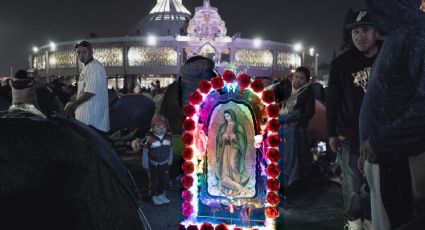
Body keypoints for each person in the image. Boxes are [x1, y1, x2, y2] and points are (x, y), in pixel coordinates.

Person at [359, 0, 425, 229]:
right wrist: (366, 146)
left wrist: (383, 141)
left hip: (402, 160)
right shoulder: (399, 36)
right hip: (384, 157)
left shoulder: (418, 33)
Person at [326, 9, 380, 229]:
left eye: (365, 29)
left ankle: (372, 219)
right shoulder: (341, 64)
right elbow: (333, 100)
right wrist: (331, 132)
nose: (360, 36)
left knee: (378, 184)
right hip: (349, 134)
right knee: (352, 185)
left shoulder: (388, 55)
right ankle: (354, 221)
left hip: (382, 135)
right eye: (355, 31)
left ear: (376, 31)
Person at [274, 66, 315, 190]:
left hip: (296, 129)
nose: (298, 80)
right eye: (296, 77)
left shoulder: (308, 92)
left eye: (302, 78)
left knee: (295, 156)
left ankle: (292, 182)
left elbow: (310, 111)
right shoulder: (285, 86)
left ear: (306, 80)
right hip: (279, 126)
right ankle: (278, 180)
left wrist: (298, 121)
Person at [64, 40, 109, 133]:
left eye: (84, 52)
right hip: (86, 120)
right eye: (78, 52)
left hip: (92, 121)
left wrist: (73, 104)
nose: (81, 55)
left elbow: (90, 92)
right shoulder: (88, 67)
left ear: (91, 52)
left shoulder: (94, 68)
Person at [133, 115, 173, 206]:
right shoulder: (150, 139)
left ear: (167, 127)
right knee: (154, 181)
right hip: (153, 165)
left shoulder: (168, 138)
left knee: (164, 180)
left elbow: (170, 150)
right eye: (158, 127)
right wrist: (145, 165)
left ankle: (162, 194)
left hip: (165, 164)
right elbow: (145, 153)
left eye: (163, 127)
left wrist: (170, 161)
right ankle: (154, 196)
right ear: (152, 127)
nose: (161, 129)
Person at [215, 109, 249, 196]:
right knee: (225, 164)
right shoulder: (223, 126)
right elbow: (219, 138)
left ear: (232, 115)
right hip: (225, 147)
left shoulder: (238, 125)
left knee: (233, 164)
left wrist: (235, 136)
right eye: (225, 116)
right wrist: (223, 136)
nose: (226, 118)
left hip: (234, 148)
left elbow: (242, 138)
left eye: (228, 116)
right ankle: (226, 181)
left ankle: (235, 181)